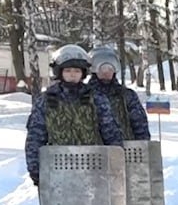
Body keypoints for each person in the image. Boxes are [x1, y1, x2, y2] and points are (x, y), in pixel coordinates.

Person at [24, 44, 125, 187]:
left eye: (77, 71)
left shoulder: (96, 99)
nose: (72, 74)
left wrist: (116, 165)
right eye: (68, 70)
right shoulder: (46, 101)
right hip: (57, 169)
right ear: (60, 72)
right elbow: (35, 138)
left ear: (83, 73)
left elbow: (111, 133)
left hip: (93, 168)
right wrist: (36, 171)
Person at [87, 46, 151, 141]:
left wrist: (143, 147)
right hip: (92, 151)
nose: (106, 72)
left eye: (110, 68)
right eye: (102, 68)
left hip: (125, 149)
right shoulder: (85, 95)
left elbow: (140, 125)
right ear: (94, 70)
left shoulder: (127, 95)